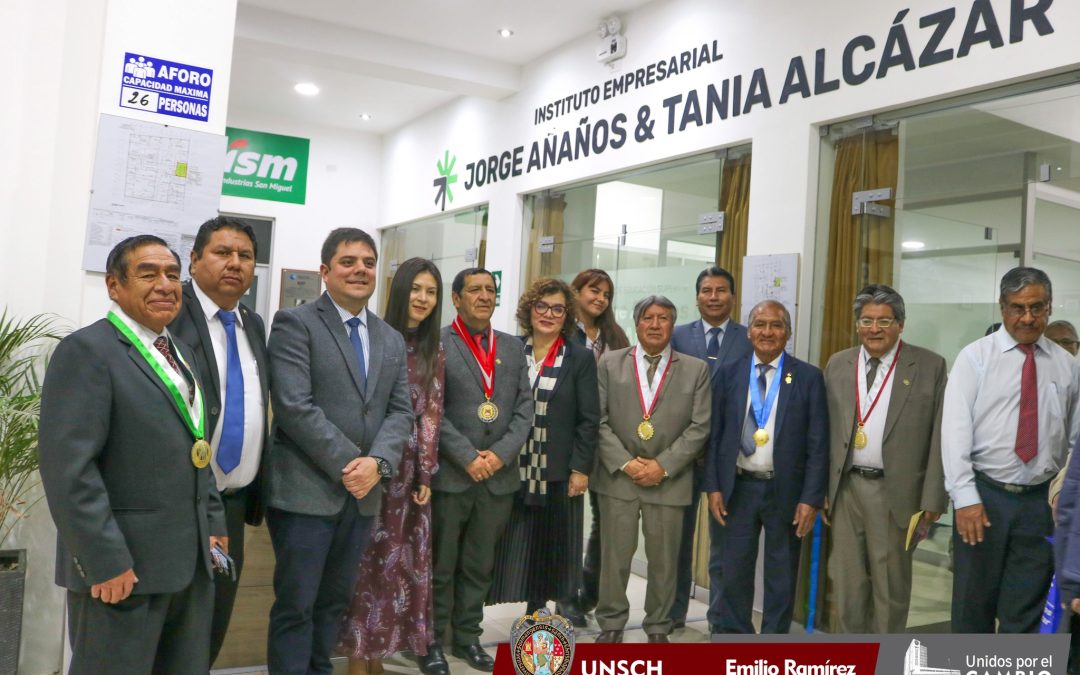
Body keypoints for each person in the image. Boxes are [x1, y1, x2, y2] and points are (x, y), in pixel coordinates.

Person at [38, 235, 226, 673]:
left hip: (189, 564)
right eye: (148, 273)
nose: (165, 284)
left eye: (173, 275)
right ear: (113, 285)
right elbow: (70, 473)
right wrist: (104, 561)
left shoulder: (182, 353)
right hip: (123, 572)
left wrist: (213, 523)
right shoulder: (87, 352)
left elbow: (197, 447)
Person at [265, 228, 413, 674]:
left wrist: (379, 464)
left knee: (334, 604)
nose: (360, 270)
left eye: (368, 262)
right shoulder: (296, 323)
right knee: (297, 604)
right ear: (326, 271)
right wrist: (353, 464)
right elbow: (294, 407)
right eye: (348, 262)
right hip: (306, 492)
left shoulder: (389, 337)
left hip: (363, 495)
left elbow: (401, 411)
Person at [943, 266, 1080, 633]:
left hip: (1040, 503)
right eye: (1018, 307)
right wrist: (965, 498)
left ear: (1049, 308)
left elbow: (1073, 441)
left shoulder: (1067, 366)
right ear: (1003, 308)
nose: (1028, 317)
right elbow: (954, 432)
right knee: (973, 607)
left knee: (1026, 612)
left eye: (1037, 307)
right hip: (985, 499)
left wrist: (1063, 496)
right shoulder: (975, 358)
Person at [338, 258, 446, 675]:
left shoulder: (435, 347)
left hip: (409, 478)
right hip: (371, 464)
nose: (423, 299)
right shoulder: (376, 336)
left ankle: (377, 656)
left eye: (431, 292)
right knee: (362, 565)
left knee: (396, 571)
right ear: (401, 290)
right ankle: (355, 658)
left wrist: (425, 473)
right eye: (416, 289)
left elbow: (432, 414)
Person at [168, 216, 268, 664]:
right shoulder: (169, 315)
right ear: (194, 260)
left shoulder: (253, 323)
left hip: (231, 504)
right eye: (222, 253)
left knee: (212, 629)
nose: (235, 263)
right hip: (181, 506)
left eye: (245, 256)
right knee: (172, 632)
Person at [823, 284, 948, 633]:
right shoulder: (838, 363)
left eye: (884, 321)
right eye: (866, 320)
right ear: (857, 324)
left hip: (897, 495)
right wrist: (821, 489)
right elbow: (825, 433)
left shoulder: (929, 366)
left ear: (901, 324)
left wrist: (933, 500)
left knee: (889, 589)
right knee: (847, 587)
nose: (874, 329)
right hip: (846, 489)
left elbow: (940, 438)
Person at [426, 267, 533, 673]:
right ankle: (433, 640)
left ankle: (467, 637)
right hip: (453, 475)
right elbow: (430, 409)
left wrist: (499, 455)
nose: (484, 296)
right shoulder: (437, 343)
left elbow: (524, 409)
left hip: (497, 478)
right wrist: (468, 455)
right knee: (442, 564)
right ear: (456, 298)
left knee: (478, 565)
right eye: (475, 290)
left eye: (490, 289)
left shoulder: (510, 346)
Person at [591, 295, 711, 643]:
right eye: (648, 318)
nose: (655, 324)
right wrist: (627, 463)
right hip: (618, 478)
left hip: (669, 481)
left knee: (664, 561)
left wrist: (663, 466)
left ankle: (658, 625)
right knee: (614, 557)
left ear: (673, 325)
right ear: (637, 323)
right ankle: (611, 623)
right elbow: (597, 420)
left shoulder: (695, 369)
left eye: (663, 318)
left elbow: (700, 427)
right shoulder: (610, 364)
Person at [706, 300, 828, 634]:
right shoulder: (729, 373)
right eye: (760, 324)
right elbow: (714, 437)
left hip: (785, 493)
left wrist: (811, 498)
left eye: (775, 325)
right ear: (749, 331)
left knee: (782, 576)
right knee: (733, 573)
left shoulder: (806, 377)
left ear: (787, 332)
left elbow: (818, 444)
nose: (767, 332)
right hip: (737, 488)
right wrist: (713, 486)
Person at [488, 278, 600, 622]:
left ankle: (538, 610)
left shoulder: (578, 358)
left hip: (557, 471)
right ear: (529, 309)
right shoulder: (508, 351)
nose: (548, 314)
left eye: (557, 309)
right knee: (511, 541)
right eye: (541, 306)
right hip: (509, 465)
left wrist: (581, 469)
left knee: (551, 546)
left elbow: (589, 418)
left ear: (567, 315)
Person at [669, 266, 752, 632]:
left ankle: (720, 618)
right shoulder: (676, 335)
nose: (714, 297)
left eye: (721, 290)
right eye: (706, 290)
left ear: (733, 297)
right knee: (677, 538)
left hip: (730, 456)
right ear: (697, 296)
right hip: (684, 452)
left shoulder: (750, 337)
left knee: (725, 544)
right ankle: (672, 612)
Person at [569, 269, 630, 622]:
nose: (600, 299)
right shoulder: (564, 332)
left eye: (606, 294)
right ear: (576, 291)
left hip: (607, 438)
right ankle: (563, 595)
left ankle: (587, 595)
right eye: (594, 291)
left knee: (603, 524)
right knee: (568, 521)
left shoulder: (614, 336)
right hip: (572, 436)